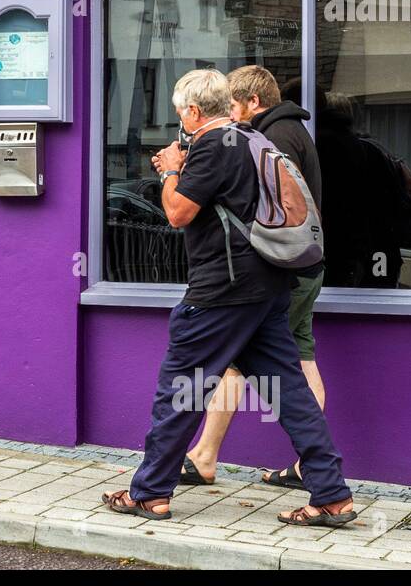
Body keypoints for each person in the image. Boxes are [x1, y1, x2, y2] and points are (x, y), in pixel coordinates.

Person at [102, 69, 355, 527]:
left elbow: (178, 214)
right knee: (289, 392)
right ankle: (332, 494)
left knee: (179, 390)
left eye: (181, 111)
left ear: (194, 112)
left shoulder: (211, 147)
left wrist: (173, 168)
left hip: (221, 291)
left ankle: (149, 493)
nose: (180, 119)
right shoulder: (254, 140)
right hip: (267, 288)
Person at [179, 66, 325, 491]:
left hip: (280, 270)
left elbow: (273, 208)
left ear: (253, 103)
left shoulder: (272, 139)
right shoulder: (292, 133)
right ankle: (310, 466)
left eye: (232, 105)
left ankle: (205, 457)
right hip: (304, 268)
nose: (227, 115)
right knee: (301, 361)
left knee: (236, 364)